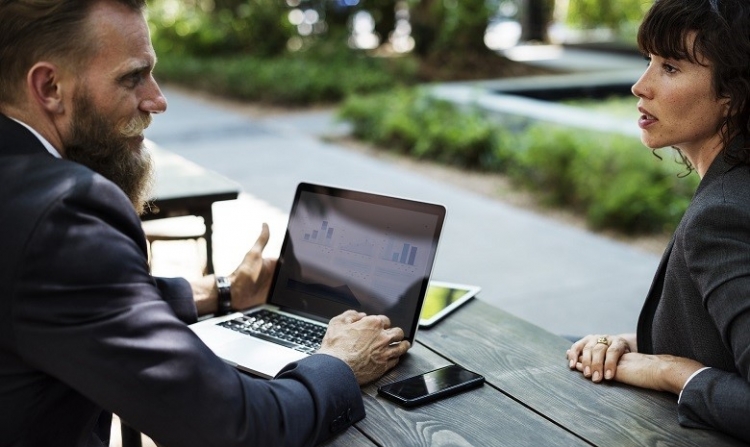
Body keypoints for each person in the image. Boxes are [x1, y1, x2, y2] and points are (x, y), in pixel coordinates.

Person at [0, 1, 411, 446]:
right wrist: (340, 363)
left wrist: (224, 292)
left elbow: (65, 299)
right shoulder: (63, 211)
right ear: (49, 86)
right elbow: (234, 428)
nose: (157, 100)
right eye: (132, 77)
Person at [566, 0, 750, 442]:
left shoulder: (721, 217)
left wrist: (670, 372)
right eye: (647, 61)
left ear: (733, 94)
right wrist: (633, 344)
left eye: (669, 67)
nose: (639, 86)